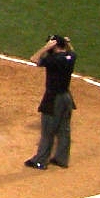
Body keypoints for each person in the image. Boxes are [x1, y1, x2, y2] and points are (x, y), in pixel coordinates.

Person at [26, 33, 75, 168]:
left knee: (47, 131)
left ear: (53, 46)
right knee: (64, 130)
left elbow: (34, 59)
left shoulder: (54, 59)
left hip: (53, 99)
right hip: (67, 98)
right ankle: (61, 159)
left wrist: (45, 48)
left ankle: (40, 160)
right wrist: (66, 43)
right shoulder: (71, 56)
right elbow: (71, 50)